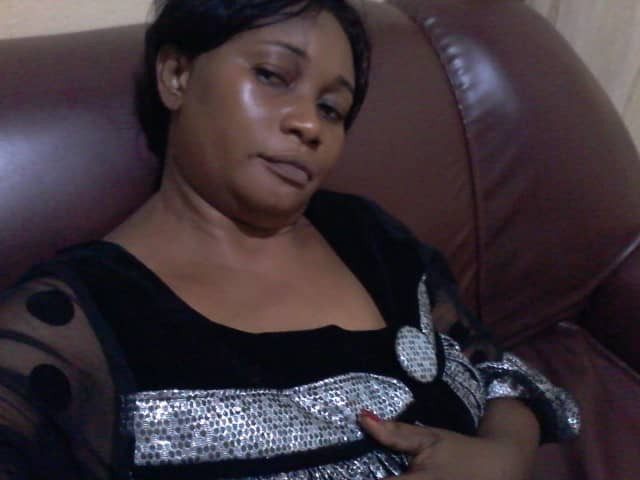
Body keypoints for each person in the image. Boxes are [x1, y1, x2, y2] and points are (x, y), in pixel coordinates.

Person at [0, 1, 579, 479]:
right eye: (273, 76)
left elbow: (494, 370)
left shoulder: (372, 237)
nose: (309, 124)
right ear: (177, 75)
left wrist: (504, 456)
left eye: (332, 108)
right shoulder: (72, 323)